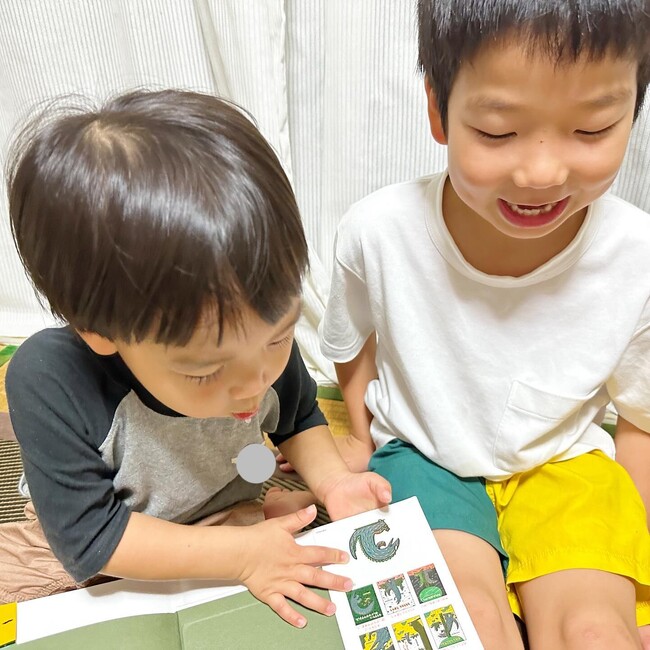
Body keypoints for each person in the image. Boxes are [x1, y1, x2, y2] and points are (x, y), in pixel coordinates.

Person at [319, 0, 650, 648]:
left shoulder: (636, 254)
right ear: (438, 110)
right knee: (462, 623)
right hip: (423, 455)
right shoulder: (377, 231)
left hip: (569, 465)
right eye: (499, 133)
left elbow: (640, 415)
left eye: (592, 129)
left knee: (595, 632)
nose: (542, 173)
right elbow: (349, 343)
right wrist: (359, 442)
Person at [0, 89, 391, 628]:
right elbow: (89, 539)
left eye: (278, 337)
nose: (255, 383)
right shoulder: (48, 379)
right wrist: (244, 556)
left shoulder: (255, 348)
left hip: (221, 510)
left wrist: (333, 483)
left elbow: (299, 418)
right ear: (100, 331)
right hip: (94, 539)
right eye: (205, 371)